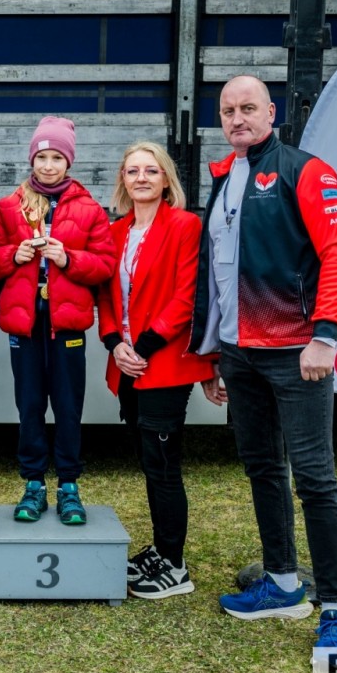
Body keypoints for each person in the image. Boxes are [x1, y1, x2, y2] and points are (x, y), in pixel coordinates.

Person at [191, 75, 337, 655]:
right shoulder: (223, 177)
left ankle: (335, 610)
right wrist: (214, 351)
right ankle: (283, 584)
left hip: (296, 352)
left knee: (314, 478)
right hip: (239, 354)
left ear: (271, 112)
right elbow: (219, 271)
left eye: (248, 108)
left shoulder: (306, 171)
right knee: (263, 468)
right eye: (227, 110)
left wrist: (325, 336)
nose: (237, 118)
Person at [0, 117, 116, 525]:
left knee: (68, 406)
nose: (49, 165)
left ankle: (69, 486)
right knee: (30, 405)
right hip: (25, 324)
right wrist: (13, 255)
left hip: (67, 325)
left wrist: (68, 258)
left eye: (57, 157)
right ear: (32, 160)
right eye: (42, 157)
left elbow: (105, 264)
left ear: (69, 161)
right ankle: (34, 484)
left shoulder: (90, 210)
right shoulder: (9, 206)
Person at [98, 142, 216, 598]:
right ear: (123, 181)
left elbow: (187, 296)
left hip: (163, 362)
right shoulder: (115, 232)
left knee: (164, 465)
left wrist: (141, 347)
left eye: (151, 171)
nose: (141, 178)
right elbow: (105, 296)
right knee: (149, 461)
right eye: (133, 171)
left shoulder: (185, 226)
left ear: (166, 179)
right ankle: (161, 550)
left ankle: (174, 566)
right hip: (127, 363)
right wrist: (115, 344)